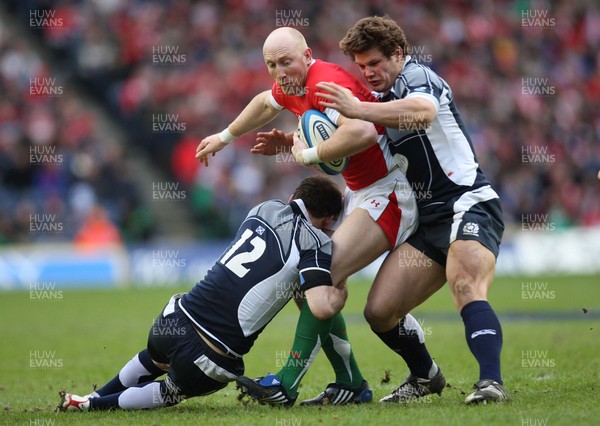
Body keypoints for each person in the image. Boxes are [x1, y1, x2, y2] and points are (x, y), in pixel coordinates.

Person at [195, 26, 422, 406]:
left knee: (319, 277)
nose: (280, 72)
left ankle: (287, 382)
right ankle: (349, 382)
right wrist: (224, 137)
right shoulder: (294, 84)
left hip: (390, 190)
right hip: (362, 191)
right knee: (310, 285)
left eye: (286, 62)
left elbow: (364, 130)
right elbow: (267, 103)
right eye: (272, 65)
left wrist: (306, 156)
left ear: (307, 55)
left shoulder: (324, 81)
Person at [315, 16, 508, 404]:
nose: (368, 73)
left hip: (467, 203)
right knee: (380, 312)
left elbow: (421, 113)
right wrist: (293, 143)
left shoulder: (417, 76)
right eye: (361, 66)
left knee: (465, 285)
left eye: (375, 63)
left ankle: (491, 384)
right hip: (429, 219)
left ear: (398, 54)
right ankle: (425, 376)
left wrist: (358, 109)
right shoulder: (377, 102)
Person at [56, 176, 349, 411]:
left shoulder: (264, 208)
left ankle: (91, 397)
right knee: (171, 391)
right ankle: (93, 406)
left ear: (293, 199)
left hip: (171, 320)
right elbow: (321, 307)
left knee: (153, 358)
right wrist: (341, 289)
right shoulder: (315, 241)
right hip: (209, 355)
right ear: (327, 220)